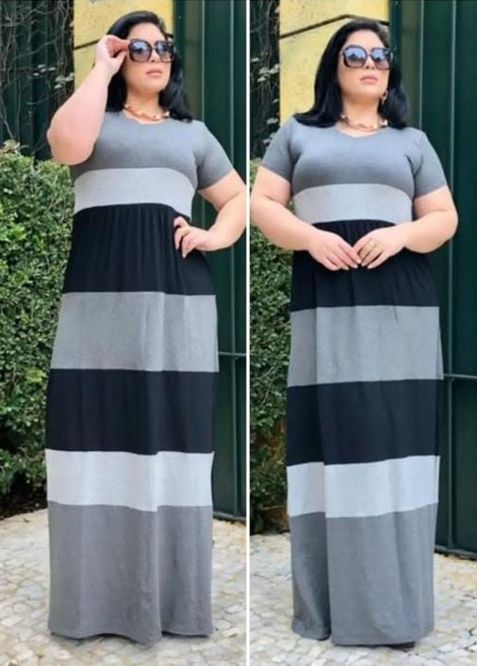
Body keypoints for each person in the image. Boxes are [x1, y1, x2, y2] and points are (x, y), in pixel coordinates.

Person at [250, 18, 458, 648]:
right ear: (334, 67)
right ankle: (330, 608)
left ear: (390, 71)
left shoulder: (413, 142)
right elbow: (262, 205)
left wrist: (400, 235)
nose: (370, 63)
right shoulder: (297, 133)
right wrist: (310, 238)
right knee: (331, 446)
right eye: (355, 54)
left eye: (380, 56)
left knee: (395, 450)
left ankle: (395, 611)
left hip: (401, 310)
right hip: (327, 309)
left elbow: (444, 218)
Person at [44, 10, 245, 646]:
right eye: (140, 47)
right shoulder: (94, 119)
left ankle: (173, 602)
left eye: (163, 46)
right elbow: (64, 146)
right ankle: (91, 604)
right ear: (120, 53)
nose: (155, 56)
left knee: (172, 441)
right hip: (96, 306)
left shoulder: (193, 134)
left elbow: (237, 199)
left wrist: (214, 236)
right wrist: (99, 70)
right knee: (92, 438)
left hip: (177, 306)